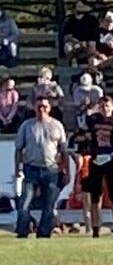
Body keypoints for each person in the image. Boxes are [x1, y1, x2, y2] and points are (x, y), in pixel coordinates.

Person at [14, 98, 70, 238]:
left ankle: (44, 233)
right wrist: (18, 169)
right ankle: (22, 231)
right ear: (34, 107)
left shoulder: (57, 125)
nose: (41, 109)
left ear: (49, 108)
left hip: (51, 169)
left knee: (49, 204)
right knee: (25, 202)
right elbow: (19, 149)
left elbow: (63, 151)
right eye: (39, 106)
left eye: (44, 106)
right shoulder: (26, 125)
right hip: (31, 168)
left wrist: (66, 170)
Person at [82, 94, 113, 239]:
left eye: (107, 106)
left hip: (111, 160)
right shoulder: (93, 120)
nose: (104, 109)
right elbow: (85, 122)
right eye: (102, 106)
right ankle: (96, 228)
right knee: (95, 197)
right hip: (96, 160)